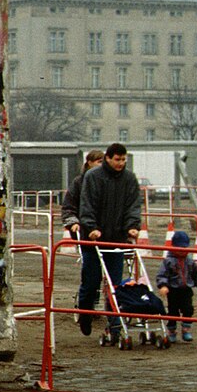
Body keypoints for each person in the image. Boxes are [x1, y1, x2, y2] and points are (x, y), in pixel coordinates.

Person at [78, 142, 142, 344]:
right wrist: (91, 227)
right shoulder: (93, 177)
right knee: (91, 281)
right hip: (93, 238)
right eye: (117, 159)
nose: (121, 163)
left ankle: (115, 326)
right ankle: (85, 314)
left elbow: (133, 205)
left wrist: (132, 225)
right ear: (108, 158)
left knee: (114, 285)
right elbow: (87, 205)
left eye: (124, 160)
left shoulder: (129, 179)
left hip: (117, 239)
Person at [63, 150, 106, 336]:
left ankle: (115, 317)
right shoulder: (78, 183)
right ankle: (86, 309)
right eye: (98, 161)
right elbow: (69, 207)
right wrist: (73, 222)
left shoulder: (109, 182)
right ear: (88, 163)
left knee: (114, 277)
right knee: (92, 275)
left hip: (109, 234)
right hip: (87, 234)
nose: (100, 164)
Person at [157, 229, 197, 343]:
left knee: (188, 309)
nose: (182, 251)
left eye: (184, 248)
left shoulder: (190, 261)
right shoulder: (168, 261)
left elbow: (195, 273)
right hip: (173, 290)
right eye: (180, 248)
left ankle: (186, 329)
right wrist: (163, 285)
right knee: (173, 311)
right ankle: (171, 331)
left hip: (186, 289)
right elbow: (162, 274)